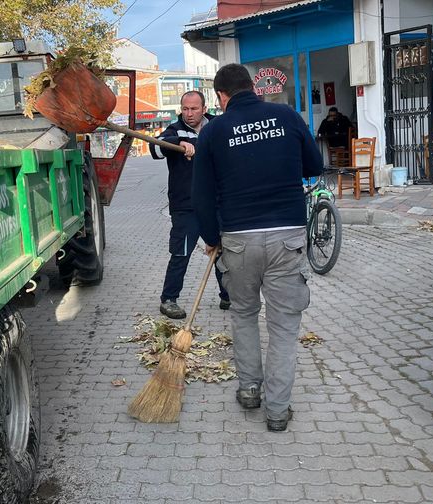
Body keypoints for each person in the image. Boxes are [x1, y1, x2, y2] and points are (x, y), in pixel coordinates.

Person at [192, 64, 323, 432]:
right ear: (253, 87)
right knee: (283, 326)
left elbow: (201, 194)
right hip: (287, 236)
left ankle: (249, 389)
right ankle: (278, 411)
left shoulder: (213, 131)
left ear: (220, 96)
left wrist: (212, 238)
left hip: (238, 239)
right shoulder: (286, 115)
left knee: (244, 314)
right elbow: (314, 164)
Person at [151, 90, 229, 320]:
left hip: (215, 204)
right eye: (185, 109)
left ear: (204, 109)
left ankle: (228, 296)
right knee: (181, 253)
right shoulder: (175, 130)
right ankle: (168, 299)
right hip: (186, 207)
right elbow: (155, 148)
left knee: (222, 252)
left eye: (194, 109)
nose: (189, 113)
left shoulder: (218, 126)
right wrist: (179, 142)